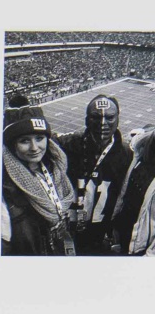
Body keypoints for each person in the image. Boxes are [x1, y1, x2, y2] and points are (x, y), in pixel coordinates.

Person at [0, 107, 76, 257]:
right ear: (12, 144)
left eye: (39, 138)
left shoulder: (56, 166)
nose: (34, 148)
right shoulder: (4, 186)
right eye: (24, 141)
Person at [65, 93, 132, 253]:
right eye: (96, 117)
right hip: (68, 224)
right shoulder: (69, 145)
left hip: (100, 228)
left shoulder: (126, 155)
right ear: (86, 119)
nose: (103, 123)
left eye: (110, 117)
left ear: (117, 119)